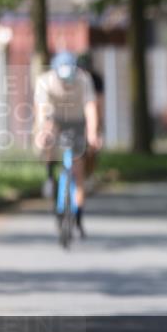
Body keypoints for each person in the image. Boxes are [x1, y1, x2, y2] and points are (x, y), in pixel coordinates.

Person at [34, 51, 102, 237]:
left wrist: (93, 133)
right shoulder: (45, 82)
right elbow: (42, 111)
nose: (66, 83)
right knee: (46, 137)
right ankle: (49, 173)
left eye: (69, 79)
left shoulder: (84, 80)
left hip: (77, 122)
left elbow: (90, 109)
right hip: (55, 119)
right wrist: (42, 132)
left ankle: (78, 216)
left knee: (78, 171)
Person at [77, 52, 104, 185]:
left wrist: (97, 124)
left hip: (91, 113)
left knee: (92, 147)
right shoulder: (73, 79)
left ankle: (90, 174)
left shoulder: (96, 79)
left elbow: (99, 102)